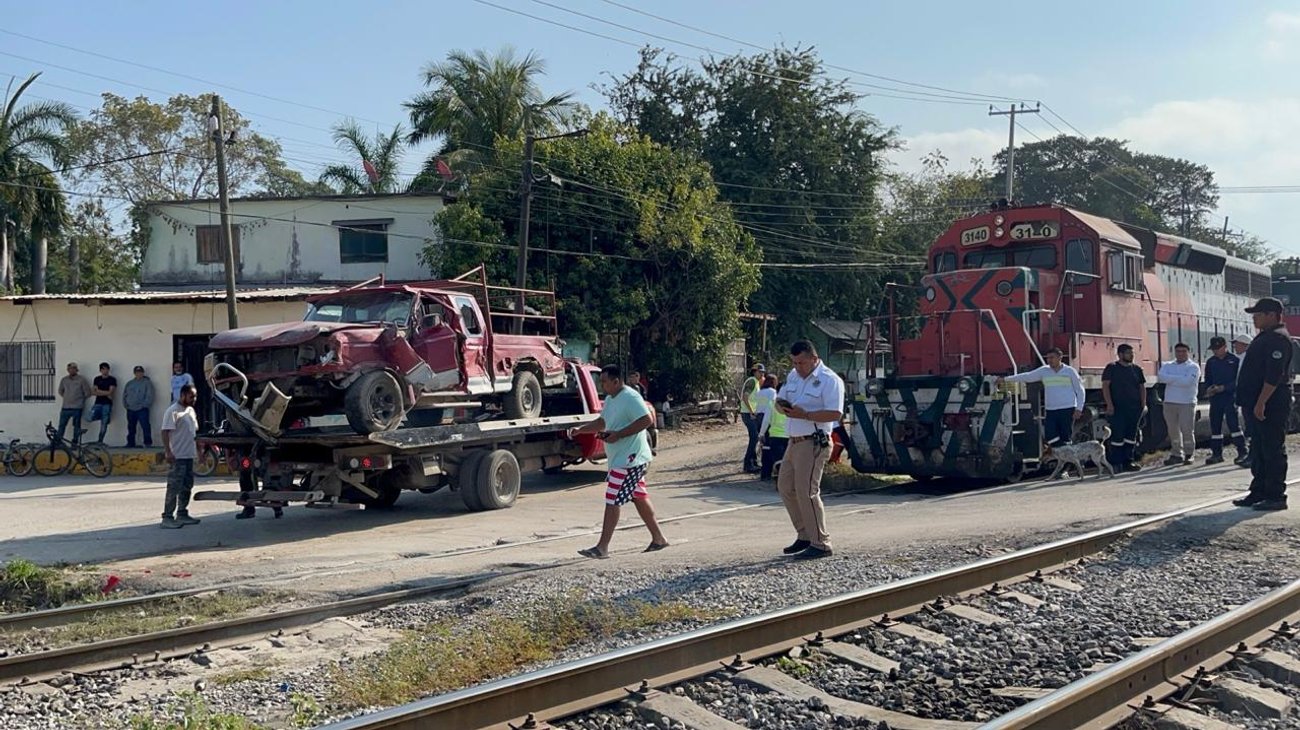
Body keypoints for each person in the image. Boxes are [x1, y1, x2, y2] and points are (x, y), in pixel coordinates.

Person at [567, 365, 668, 558]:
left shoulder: (630, 397)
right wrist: (581, 429)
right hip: (622, 458)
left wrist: (619, 435)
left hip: (630, 458)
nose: (602, 385)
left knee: (613, 499)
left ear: (616, 381)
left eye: (604, 381)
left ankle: (602, 547)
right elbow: (602, 422)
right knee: (639, 496)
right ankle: (659, 539)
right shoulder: (611, 399)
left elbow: (646, 420)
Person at [775, 341, 844, 560]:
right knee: (785, 487)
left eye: (801, 362)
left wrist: (805, 415)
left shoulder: (829, 380)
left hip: (814, 441)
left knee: (807, 491)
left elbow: (835, 414)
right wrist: (781, 406)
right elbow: (780, 398)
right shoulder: (794, 376)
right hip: (793, 441)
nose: (797, 367)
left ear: (814, 359)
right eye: (794, 363)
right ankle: (805, 534)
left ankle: (821, 543)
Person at [1234, 297, 1293, 511]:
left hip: (1271, 403)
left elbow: (1274, 375)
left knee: (1272, 448)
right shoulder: (1265, 337)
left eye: (1257, 315)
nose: (1254, 319)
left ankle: (1276, 495)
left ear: (1271, 315)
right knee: (1258, 449)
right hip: (1257, 403)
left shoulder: (1278, 339)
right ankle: (1259, 490)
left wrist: (1261, 403)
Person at [996, 347, 1086, 451]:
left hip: (1067, 408)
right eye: (1048, 358)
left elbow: (1080, 390)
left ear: (1060, 357)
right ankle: (1060, 454)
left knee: (1065, 435)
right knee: (1050, 435)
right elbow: (1027, 377)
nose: (1049, 360)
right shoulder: (1044, 371)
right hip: (1051, 410)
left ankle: (1067, 459)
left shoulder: (1070, 372)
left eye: (1052, 357)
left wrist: (1079, 408)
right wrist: (1005, 379)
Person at [161, 384, 202, 529]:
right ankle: (167, 517)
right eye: (191, 396)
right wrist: (168, 452)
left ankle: (182, 513)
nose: (194, 399)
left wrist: (200, 452)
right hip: (177, 456)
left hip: (189, 455)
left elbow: (194, 434)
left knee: (187, 486)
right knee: (174, 487)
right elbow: (165, 432)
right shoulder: (172, 411)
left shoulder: (191, 411)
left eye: (195, 396)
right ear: (183, 395)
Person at [1101, 343, 1146, 472]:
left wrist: (1143, 404)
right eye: (1128, 353)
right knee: (1117, 435)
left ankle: (1129, 461)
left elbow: (1141, 387)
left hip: (1134, 408)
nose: (1131, 355)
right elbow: (1105, 386)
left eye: (1132, 353)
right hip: (1117, 408)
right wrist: (1109, 404)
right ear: (1120, 354)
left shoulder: (1137, 369)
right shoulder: (1112, 368)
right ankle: (1116, 463)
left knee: (1131, 435)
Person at [1204, 336, 1246, 465]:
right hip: (1216, 397)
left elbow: (1238, 380)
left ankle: (1242, 451)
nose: (1216, 351)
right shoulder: (1211, 362)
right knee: (1215, 425)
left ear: (1224, 347)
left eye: (1218, 348)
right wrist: (1209, 389)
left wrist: (1225, 387)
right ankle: (1217, 454)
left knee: (1233, 424)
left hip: (1229, 396)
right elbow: (1208, 378)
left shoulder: (1234, 360)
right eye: (1214, 349)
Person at [1157, 343, 1200, 466]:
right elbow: (1161, 377)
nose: (1180, 353)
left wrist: (1171, 379)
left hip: (1186, 402)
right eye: (1178, 351)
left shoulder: (1194, 367)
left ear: (1188, 352)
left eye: (1183, 351)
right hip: (1169, 402)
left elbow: (1188, 382)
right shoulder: (1167, 365)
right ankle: (1176, 454)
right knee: (1173, 431)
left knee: (1187, 430)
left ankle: (1189, 453)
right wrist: (1179, 378)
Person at [756, 374, 789, 481]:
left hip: (775, 435)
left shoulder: (773, 403)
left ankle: (772, 476)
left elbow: (766, 421)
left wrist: (761, 434)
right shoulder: (794, 404)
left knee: (777, 459)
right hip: (790, 436)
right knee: (788, 460)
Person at [56, 362, 93, 444]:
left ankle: (75, 443)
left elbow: (87, 393)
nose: (71, 370)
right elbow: (60, 391)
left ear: (76, 370)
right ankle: (58, 442)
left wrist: (79, 399)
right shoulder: (64, 380)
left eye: (73, 369)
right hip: (65, 407)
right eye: (69, 369)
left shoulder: (81, 380)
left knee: (76, 427)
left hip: (77, 407)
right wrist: (67, 397)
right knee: (61, 425)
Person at [1233, 333, 1254, 468]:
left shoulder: (1250, 358)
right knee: (1249, 426)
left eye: (1237, 344)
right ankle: (1252, 455)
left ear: (1245, 345)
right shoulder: (1240, 358)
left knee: (1252, 427)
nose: (1235, 346)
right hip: (1244, 397)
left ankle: (1253, 456)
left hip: (1250, 397)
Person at [739, 363, 765, 473]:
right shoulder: (752, 381)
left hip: (749, 413)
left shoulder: (756, 382)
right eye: (760, 372)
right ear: (754, 371)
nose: (762, 374)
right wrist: (751, 411)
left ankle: (753, 462)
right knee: (754, 437)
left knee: (754, 437)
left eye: (763, 372)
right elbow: (745, 397)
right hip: (748, 413)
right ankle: (748, 463)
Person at [123, 365, 155, 448]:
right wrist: (125, 404)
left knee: (145, 426)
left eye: (140, 372)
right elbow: (125, 394)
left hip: (142, 409)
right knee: (131, 427)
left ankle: (148, 443)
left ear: (143, 373)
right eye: (137, 372)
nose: (139, 374)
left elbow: (150, 395)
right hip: (130, 409)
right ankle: (130, 443)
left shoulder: (147, 383)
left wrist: (144, 405)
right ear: (134, 373)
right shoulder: (129, 383)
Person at [89, 362, 117, 444]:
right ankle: (100, 416)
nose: (105, 371)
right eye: (103, 369)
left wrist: (99, 391)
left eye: (106, 369)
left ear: (108, 370)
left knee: (104, 424)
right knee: (89, 417)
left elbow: (111, 392)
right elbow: (93, 392)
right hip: (98, 403)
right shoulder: (97, 379)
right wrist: (106, 393)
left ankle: (100, 441)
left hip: (107, 403)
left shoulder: (112, 379)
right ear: (100, 370)